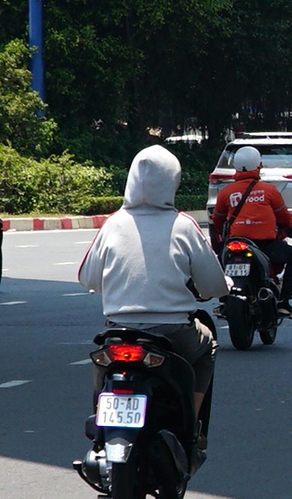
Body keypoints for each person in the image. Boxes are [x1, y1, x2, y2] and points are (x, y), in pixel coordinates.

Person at [77, 145, 224, 446]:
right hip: (173, 332)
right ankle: (191, 429)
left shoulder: (113, 223)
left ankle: (101, 427)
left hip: (118, 332)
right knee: (207, 347)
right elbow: (213, 285)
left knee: (102, 368)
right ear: (173, 181)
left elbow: (87, 278)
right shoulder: (183, 225)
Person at [209, 145, 292, 313]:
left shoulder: (226, 192)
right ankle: (284, 302)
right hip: (265, 246)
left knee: (219, 262)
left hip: (235, 243)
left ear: (236, 167)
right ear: (259, 165)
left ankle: (224, 301)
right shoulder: (269, 191)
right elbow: (284, 217)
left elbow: (217, 220)